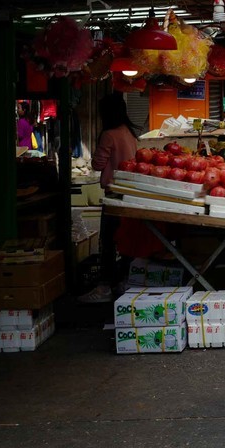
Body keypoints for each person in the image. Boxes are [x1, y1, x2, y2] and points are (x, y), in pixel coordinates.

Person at [79, 94, 140, 304]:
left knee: (107, 242)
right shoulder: (129, 133)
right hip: (129, 194)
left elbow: (97, 164)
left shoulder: (108, 135)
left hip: (114, 195)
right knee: (126, 241)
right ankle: (123, 281)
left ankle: (105, 286)